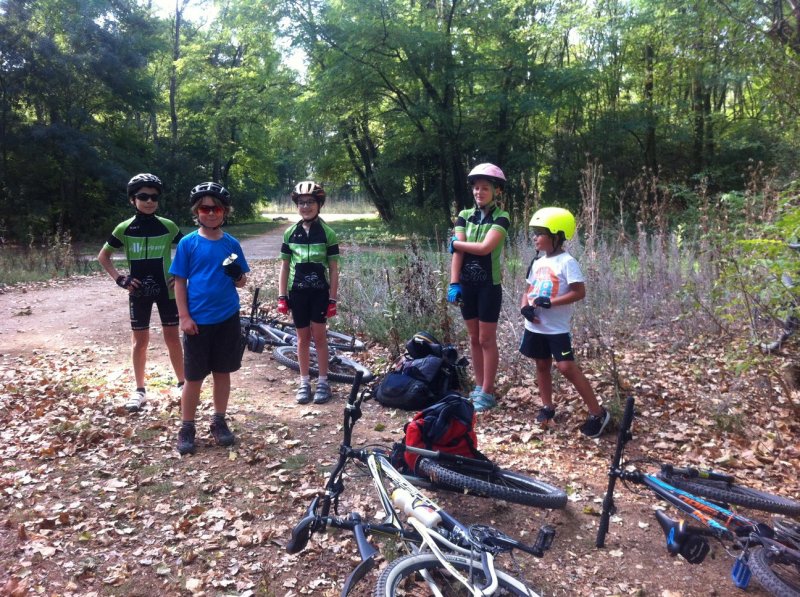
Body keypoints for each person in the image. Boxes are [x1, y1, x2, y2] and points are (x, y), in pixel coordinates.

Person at [169, 182, 250, 455]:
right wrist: (183, 316)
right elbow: (179, 282)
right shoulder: (188, 243)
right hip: (198, 321)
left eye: (216, 208)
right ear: (197, 212)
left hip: (227, 317)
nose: (211, 213)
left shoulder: (231, 243)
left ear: (224, 211)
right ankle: (187, 425)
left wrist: (237, 275)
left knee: (222, 372)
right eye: (205, 208)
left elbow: (241, 283)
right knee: (193, 377)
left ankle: (218, 420)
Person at [519, 207, 611, 438]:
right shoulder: (538, 262)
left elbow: (579, 292)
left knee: (566, 367)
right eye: (534, 232)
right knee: (542, 365)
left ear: (556, 235)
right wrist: (524, 307)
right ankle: (547, 406)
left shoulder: (567, 262)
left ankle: (597, 413)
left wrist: (552, 301)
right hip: (535, 326)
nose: (534, 237)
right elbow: (528, 290)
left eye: (540, 233)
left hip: (556, 329)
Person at [97, 173, 185, 412]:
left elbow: (188, 251)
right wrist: (120, 279)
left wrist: (178, 275)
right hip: (138, 293)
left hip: (166, 292)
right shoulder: (125, 228)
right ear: (132, 200)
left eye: (154, 197)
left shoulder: (168, 226)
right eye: (143, 196)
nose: (149, 201)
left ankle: (182, 384)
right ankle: (139, 390)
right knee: (140, 342)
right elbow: (103, 256)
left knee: (172, 338)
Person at [447, 163, 510, 412]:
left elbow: (485, 248)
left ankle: (488, 391)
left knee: (486, 339)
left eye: (485, 188)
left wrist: (456, 243)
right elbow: (458, 253)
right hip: (467, 286)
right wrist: (453, 283)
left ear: (497, 191)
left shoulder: (502, 217)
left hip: (488, 287)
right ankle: (479, 385)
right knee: (473, 338)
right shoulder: (464, 215)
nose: (479, 192)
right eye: (476, 188)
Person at [278, 180, 340, 405]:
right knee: (302, 338)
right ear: (297, 205)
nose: (306, 206)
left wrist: (333, 298)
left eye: (310, 202)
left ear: (319, 204)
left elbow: (333, 268)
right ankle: (304, 381)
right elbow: (285, 266)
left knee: (320, 337)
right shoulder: (290, 233)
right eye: (301, 203)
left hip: (319, 293)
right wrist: (281, 296)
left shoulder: (327, 233)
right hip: (298, 293)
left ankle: (323, 381)